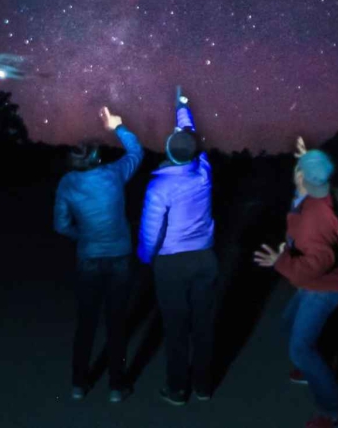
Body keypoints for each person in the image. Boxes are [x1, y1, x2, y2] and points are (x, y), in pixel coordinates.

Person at [253, 137, 338, 428]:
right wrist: (307, 157)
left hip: (321, 288)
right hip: (318, 284)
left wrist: (279, 261)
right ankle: (312, 366)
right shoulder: (316, 193)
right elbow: (313, 177)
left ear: (301, 177)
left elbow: (312, 268)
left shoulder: (315, 217)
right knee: (290, 323)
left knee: (299, 349)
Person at [54, 105, 145, 402]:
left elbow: (61, 225)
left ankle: (78, 384)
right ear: (95, 158)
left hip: (88, 260)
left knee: (86, 323)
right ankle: (117, 387)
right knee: (117, 324)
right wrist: (118, 127)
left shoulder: (66, 183)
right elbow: (136, 153)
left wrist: (85, 238)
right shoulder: (113, 173)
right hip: (119, 258)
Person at [137, 85, 217, 406]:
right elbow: (189, 133)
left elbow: (150, 232)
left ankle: (177, 389)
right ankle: (203, 387)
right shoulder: (205, 172)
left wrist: (146, 258)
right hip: (205, 259)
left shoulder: (159, 186)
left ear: (167, 151)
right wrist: (182, 106)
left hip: (172, 264)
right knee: (203, 325)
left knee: (176, 327)